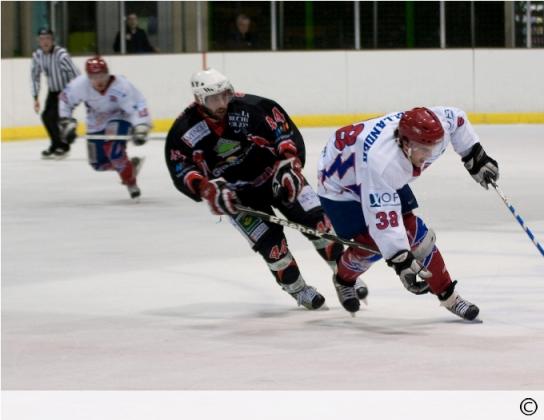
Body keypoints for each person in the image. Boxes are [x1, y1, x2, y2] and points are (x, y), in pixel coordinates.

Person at [164, 68, 367, 310]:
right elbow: (182, 169)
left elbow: (284, 134)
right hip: (238, 198)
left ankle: (344, 277)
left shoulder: (254, 107)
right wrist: (207, 189)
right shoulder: (183, 131)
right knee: (273, 248)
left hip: (276, 178)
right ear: (199, 99)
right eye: (213, 98)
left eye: (224, 95)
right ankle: (298, 289)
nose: (221, 103)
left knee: (321, 225)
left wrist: (290, 164)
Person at [317, 107, 499, 318]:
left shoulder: (437, 127)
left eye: (433, 146)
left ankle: (449, 296)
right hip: (340, 187)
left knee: (415, 234)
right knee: (372, 246)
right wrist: (400, 260)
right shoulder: (384, 164)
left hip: (365, 163)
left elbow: (456, 118)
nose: (429, 153)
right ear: (405, 143)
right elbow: (383, 220)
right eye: (423, 148)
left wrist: (475, 155)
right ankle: (344, 280)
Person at [58, 56, 151, 199]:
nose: (99, 81)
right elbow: (65, 100)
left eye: (101, 76)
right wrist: (67, 122)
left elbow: (138, 104)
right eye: (93, 77)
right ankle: (128, 167)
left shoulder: (121, 86)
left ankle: (130, 182)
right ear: (88, 77)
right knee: (98, 164)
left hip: (119, 117)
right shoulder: (80, 85)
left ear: (108, 73)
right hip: (95, 123)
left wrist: (141, 126)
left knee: (114, 150)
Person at [30, 28, 81, 159]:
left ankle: (63, 146)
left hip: (66, 91)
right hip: (52, 91)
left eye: (47, 38)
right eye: (42, 39)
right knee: (46, 117)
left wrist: (74, 93)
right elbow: (34, 76)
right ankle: (55, 144)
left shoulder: (61, 54)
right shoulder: (38, 55)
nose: (45, 42)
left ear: (53, 40)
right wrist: (35, 97)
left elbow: (75, 73)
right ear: (38, 41)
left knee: (54, 117)